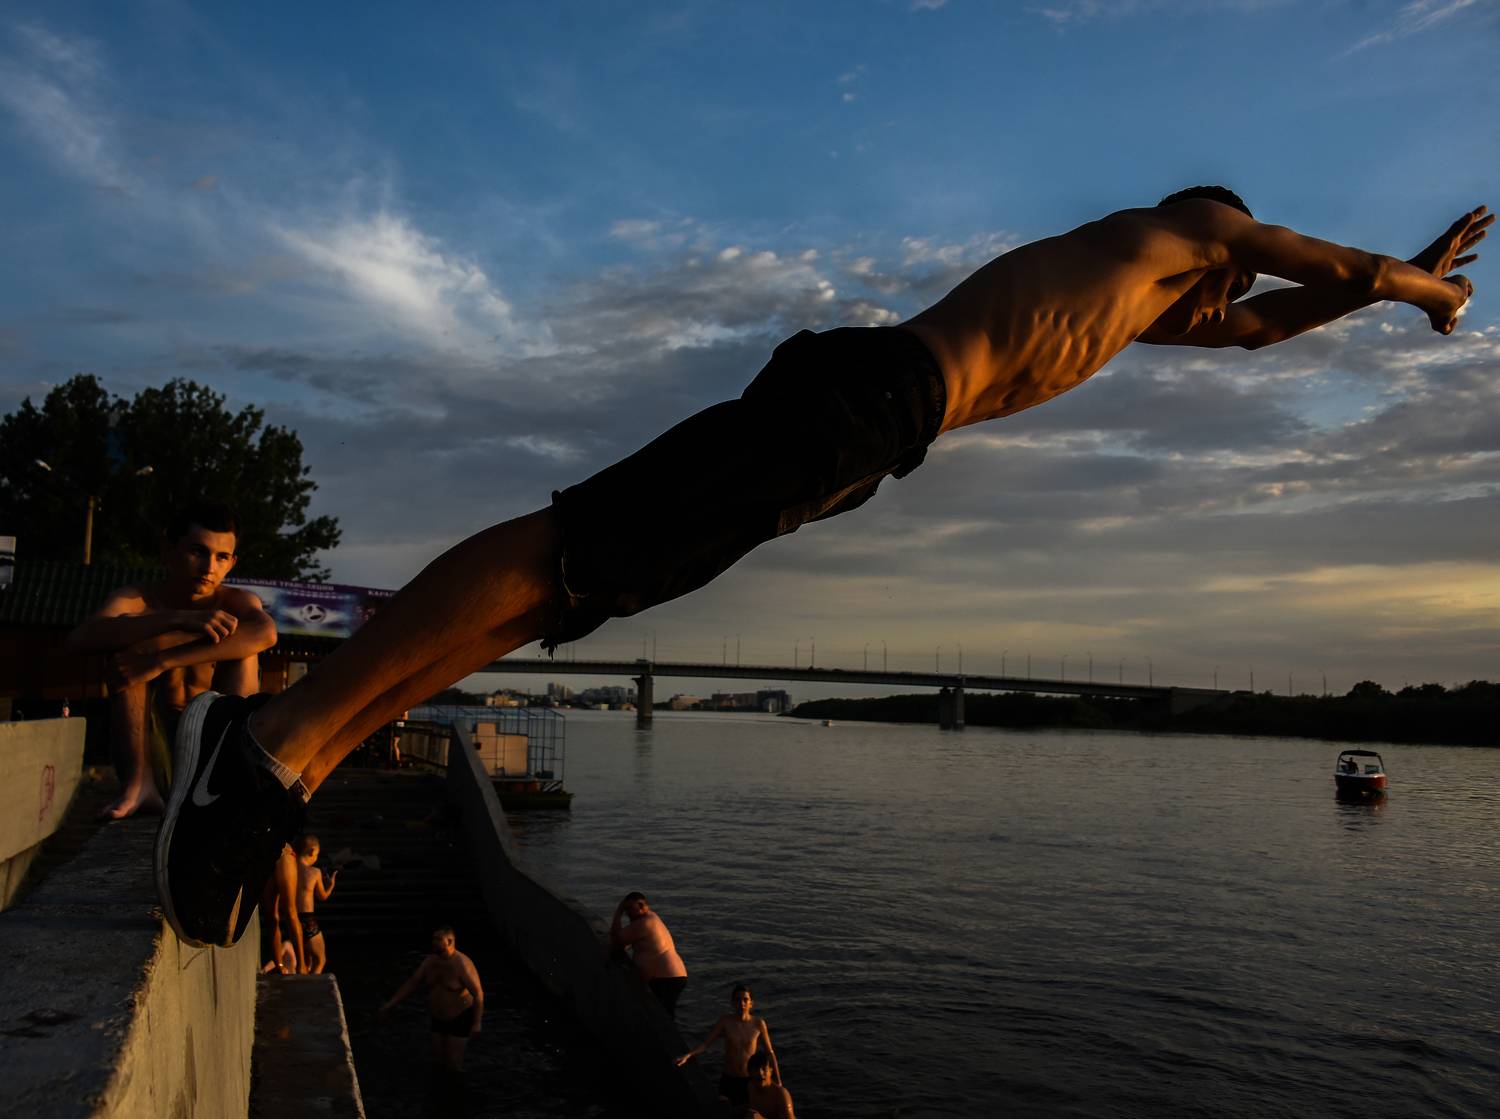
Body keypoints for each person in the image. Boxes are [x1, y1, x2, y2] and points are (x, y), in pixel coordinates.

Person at [150, 191, 1489, 948]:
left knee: (588, 588)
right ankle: (269, 737)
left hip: (875, 432)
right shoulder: (1182, 229)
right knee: (584, 540)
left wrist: (1379, 293)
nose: (1223, 311)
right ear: (1220, 232)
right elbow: (1318, 265)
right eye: (1229, 279)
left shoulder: (1142, 308)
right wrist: (1422, 292)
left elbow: (1266, 330)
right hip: (870, 398)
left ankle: (298, 761)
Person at [65, 502, 276, 819]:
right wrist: (176, 619)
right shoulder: (138, 598)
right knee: (130, 646)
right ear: (169, 550)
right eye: (198, 551)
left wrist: (161, 660)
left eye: (221, 557)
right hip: (152, 750)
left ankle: (233, 783)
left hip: (214, 751)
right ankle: (139, 784)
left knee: (244, 648)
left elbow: (265, 632)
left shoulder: (235, 601)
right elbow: (80, 638)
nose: (209, 567)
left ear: (232, 563)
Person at [378, 926, 485, 1071]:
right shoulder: (430, 962)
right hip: (437, 1018)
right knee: (437, 1060)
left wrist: (477, 1022)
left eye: (438, 939)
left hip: (459, 1018)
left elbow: (478, 994)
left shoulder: (462, 964)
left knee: (453, 1063)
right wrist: (390, 1004)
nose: (434, 942)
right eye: (433, 939)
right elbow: (412, 983)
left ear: (450, 941)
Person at [676, 984, 782, 1111]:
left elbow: (769, 1053)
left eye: (745, 1000)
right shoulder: (725, 1022)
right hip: (728, 1078)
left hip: (750, 1080)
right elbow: (706, 1044)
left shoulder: (758, 1024)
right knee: (723, 1111)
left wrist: (778, 1082)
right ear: (732, 1003)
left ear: (751, 1003)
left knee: (748, 1113)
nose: (741, 1003)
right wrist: (689, 1055)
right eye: (737, 1000)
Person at [611, 891, 689, 1017]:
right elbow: (629, 942)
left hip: (667, 978)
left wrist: (618, 912)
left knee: (660, 1016)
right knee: (663, 1014)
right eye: (625, 910)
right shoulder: (651, 918)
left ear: (642, 907)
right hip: (672, 977)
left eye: (630, 909)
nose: (627, 913)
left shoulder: (645, 923)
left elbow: (616, 939)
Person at [293, 833, 337, 974]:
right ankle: (311, 985)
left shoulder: (289, 870)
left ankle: (304, 982)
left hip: (292, 918)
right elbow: (322, 896)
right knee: (320, 959)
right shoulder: (314, 872)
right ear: (312, 852)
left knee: (307, 961)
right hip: (308, 920)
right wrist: (330, 885)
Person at [259, 843, 304, 974]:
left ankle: (301, 966)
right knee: (271, 916)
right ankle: (279, 965)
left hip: (281, 850)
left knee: (290, 912)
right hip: (264, 852)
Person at [745, 1051, 796, 1119]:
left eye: (764, 1069)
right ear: (749, 1072)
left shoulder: (781, 1095)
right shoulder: (751, 1087)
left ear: (770, 1071)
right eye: (756, 1070)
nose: (760, 1073)